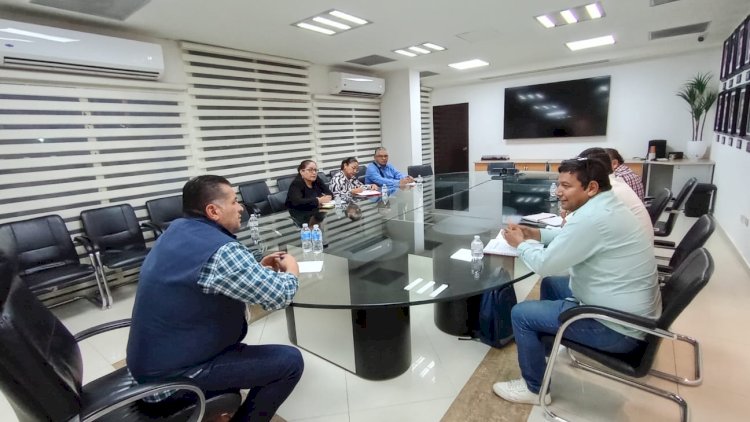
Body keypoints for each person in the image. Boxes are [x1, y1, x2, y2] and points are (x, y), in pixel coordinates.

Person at [127, 175, 302, 422]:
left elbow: (208, 277)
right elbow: (279, 295)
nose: (240, 207)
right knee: (290, 363)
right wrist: (293, 269)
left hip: (149, 366)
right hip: (171, 383)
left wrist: (255, 268)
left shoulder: (176, 230)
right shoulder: (222, 250)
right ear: (213, 211)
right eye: (234, 202)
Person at [493, 157, 660, 405]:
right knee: (551, 284)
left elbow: (545, 264)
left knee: (521, 314)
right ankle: (545, 353)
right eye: (558, 184)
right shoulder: (607, 205)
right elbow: (571, 235)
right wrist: (535, 233)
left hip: (617, 328)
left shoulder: (593, 218)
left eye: (566, 186)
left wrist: (521, 244)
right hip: (626, 310)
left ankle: (535, 389)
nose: (558, 191)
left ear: (591, 187)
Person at [579, 147, 653, 239]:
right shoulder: (616, 181)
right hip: (639, 239)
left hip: (631, 241)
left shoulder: (608, 188)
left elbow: (583, 221)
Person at [285, 160, 333, 227]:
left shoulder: (316, 179)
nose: (314, 173)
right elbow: (297, 202)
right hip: (300, 217)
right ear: (302, 172)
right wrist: (318, 200)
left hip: (315, 212)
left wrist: (326, 198)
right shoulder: (297, 183)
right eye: (310, 170)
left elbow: (329, 193)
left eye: (315, 170)